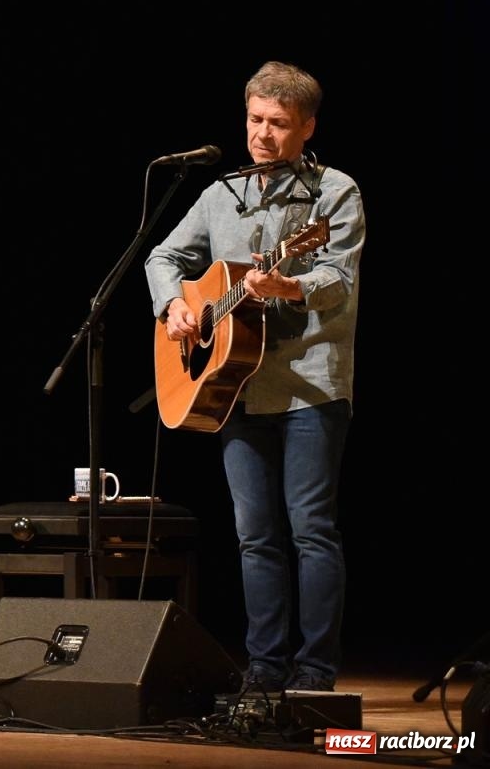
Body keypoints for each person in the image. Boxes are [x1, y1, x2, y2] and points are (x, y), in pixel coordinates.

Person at [144, 61, 363, 693]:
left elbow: (337, 280)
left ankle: (314, 674)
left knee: (311, 529)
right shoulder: (221, 194)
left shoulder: (335, 193)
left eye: (278, 123)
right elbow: (166, 256)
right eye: (254, 119)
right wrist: (175, 306)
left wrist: (288, 283)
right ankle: (264, 671)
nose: (262, 133)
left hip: (311, 384)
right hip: (234, 385)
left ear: (307, 126)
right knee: (254, 535)